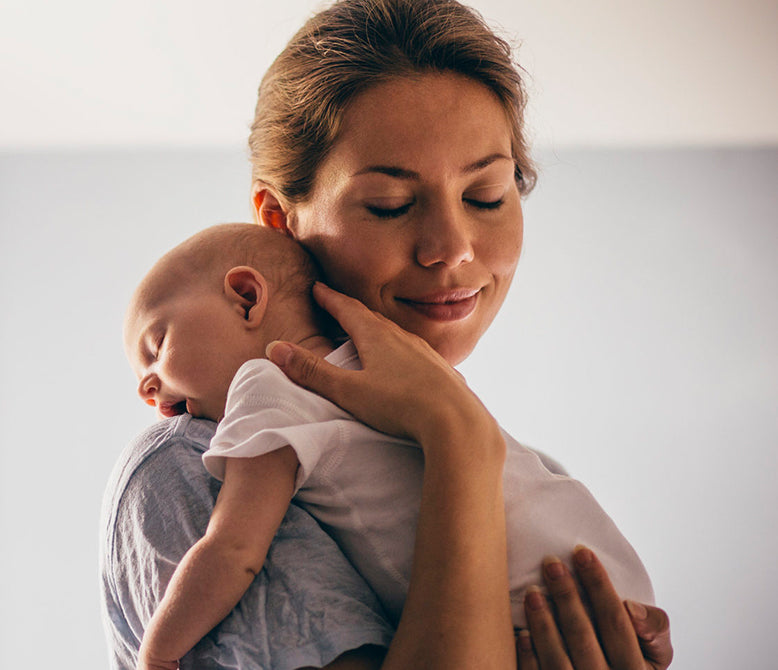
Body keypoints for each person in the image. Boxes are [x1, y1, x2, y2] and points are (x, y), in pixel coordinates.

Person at [100, 0, 674, 668]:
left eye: (487, 194)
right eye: (390, 205)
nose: (451, 249)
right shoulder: (191, 470)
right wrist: (457, 441)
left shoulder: (523, 479)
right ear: (279, 220)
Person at [122, 223, 655, 670]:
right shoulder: (398, 376)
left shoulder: (267, 388)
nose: (147, 387)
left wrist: (158, 652)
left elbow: (233, 550)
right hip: (606, 585)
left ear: (246, 297)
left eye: (157, 346)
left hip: (530, 608)